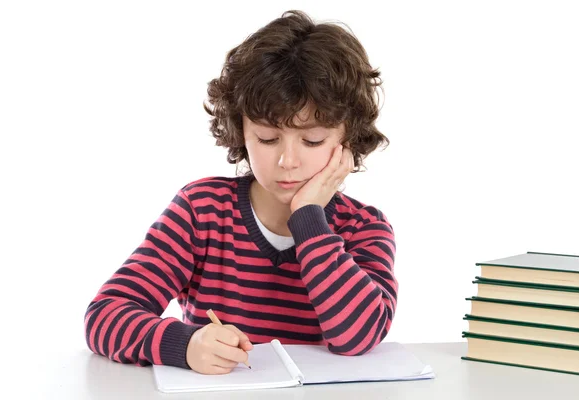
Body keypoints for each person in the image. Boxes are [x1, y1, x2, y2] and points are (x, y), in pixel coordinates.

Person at [84, 9, 398, 375]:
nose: (287, 160)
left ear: (347, 140)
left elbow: (358, 337)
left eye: (312, 140)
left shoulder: (363, 228)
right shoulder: (201, 210)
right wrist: (184, 345)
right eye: (267, 138)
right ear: (241, 132)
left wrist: (309, 218)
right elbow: (104, 315)